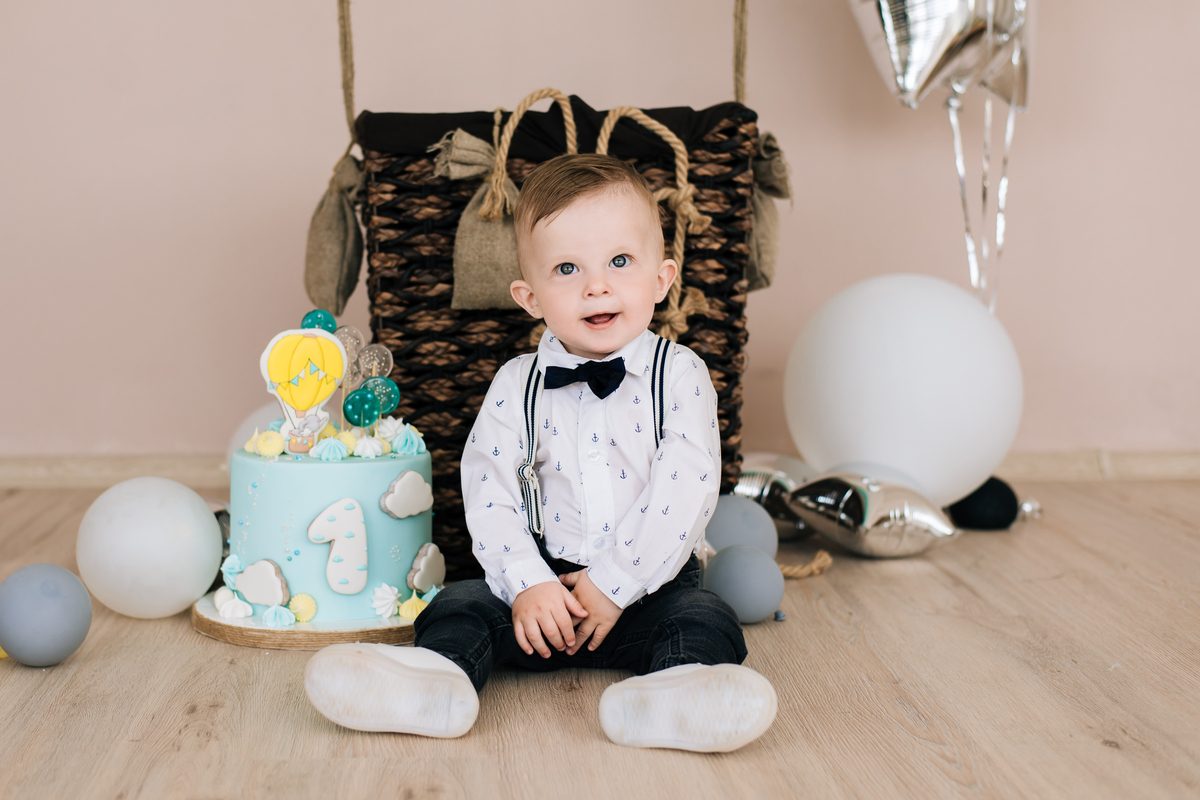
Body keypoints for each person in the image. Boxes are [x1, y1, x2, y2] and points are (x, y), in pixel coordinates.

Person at [305, 154, 777, 752]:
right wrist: (527, 582)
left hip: (647, 589)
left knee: (705, 618)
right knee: (460, 604)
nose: (596, 285)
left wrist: (615, 582)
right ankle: (435, 682)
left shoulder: (680, 375)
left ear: (662, 279)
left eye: (620, 262)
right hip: (539, 600)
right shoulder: (516, 384)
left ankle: (676, 695)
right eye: (567, 268)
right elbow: (490, 488)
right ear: (530, 298)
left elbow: (685, 490)